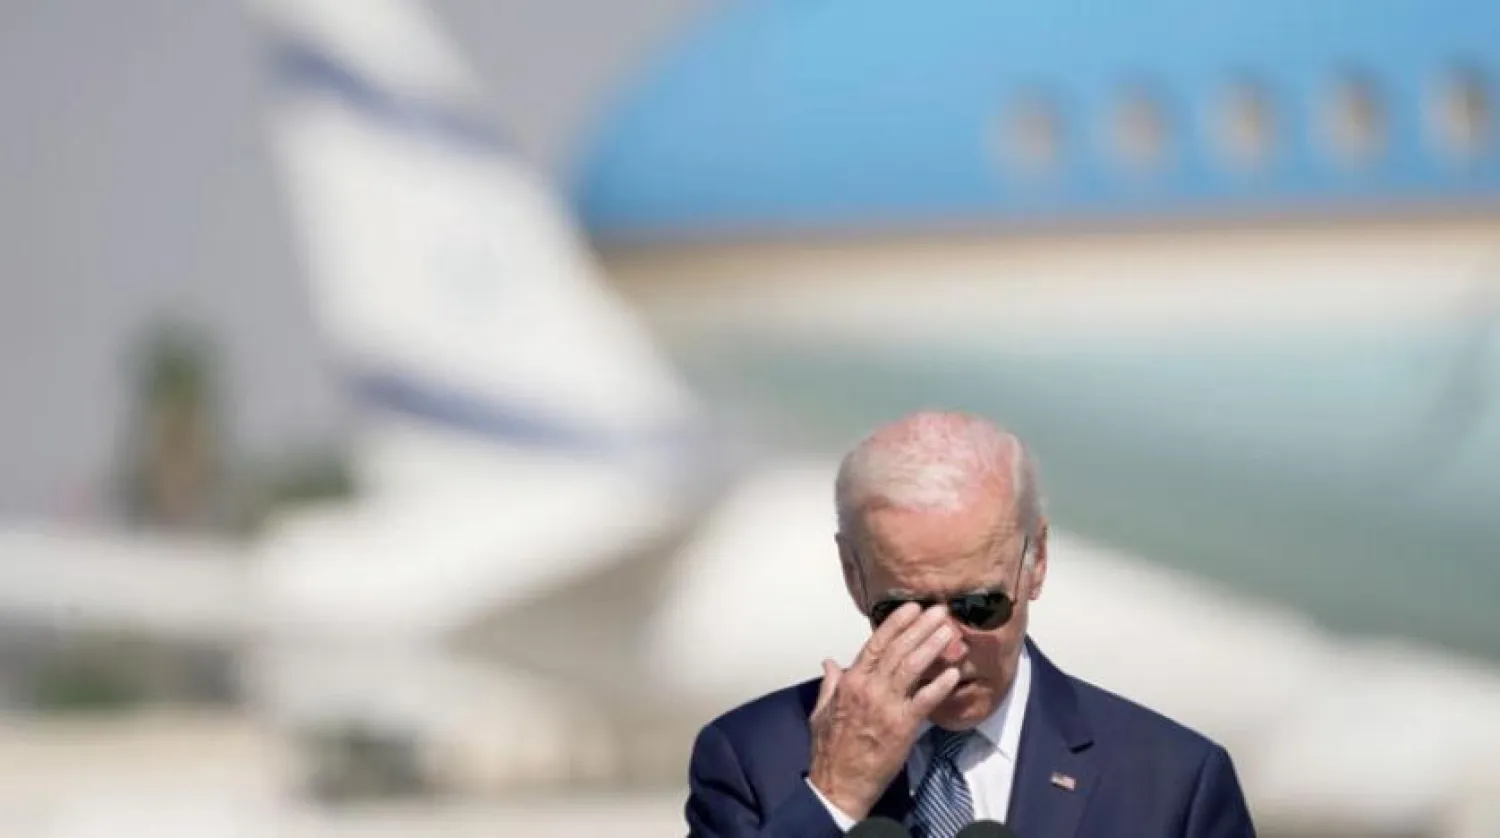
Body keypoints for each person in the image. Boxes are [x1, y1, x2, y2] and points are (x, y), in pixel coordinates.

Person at [684, 411, 1256, 837]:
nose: (948, 646)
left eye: (979, 607)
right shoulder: (751, 757)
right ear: (853, 576)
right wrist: (833, 799)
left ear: (1037, 564)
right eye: (907, 610)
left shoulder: (1173, 782)